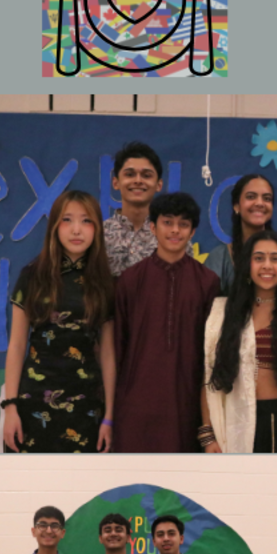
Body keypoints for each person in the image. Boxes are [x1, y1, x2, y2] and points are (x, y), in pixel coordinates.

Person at [2, 189, 118, 453]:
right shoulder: (32, 275)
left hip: (86, 407)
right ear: (54, 225)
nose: (77, 230)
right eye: (67, 220)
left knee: (82, 491)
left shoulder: (104, 283)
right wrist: (11, 408)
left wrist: (109, 417)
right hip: (32, 405)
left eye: (86, 221)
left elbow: (108, 354)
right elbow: (17, 345)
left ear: (97, 229)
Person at [110, 192, 220, 451]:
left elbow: (211, 354)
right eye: (167, 222)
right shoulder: (130, 280)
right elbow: (118, 346)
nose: (175, 230)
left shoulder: (208, 282)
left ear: (192, 232)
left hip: (187, 406)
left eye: (183, 224)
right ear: (152, 227)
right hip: (134, 406)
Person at [201, 229, 277, 452]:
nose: (267, 265)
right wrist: (207, 435)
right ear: (247, 265)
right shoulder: (224, 314)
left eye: (275, 259)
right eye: (258, 258)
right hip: (233, 424)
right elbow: (209, 376)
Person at [205, 173, 277, 294]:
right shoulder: (219, 258)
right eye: (251, 197)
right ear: (236, 206)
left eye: (267, 199)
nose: (260, 203)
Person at [102, 142, 165, 275]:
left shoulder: (171, 236)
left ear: (159, 185)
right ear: (116, 183)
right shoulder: (99, 235)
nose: (138, 180)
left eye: (146, 175)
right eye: (130, 174)